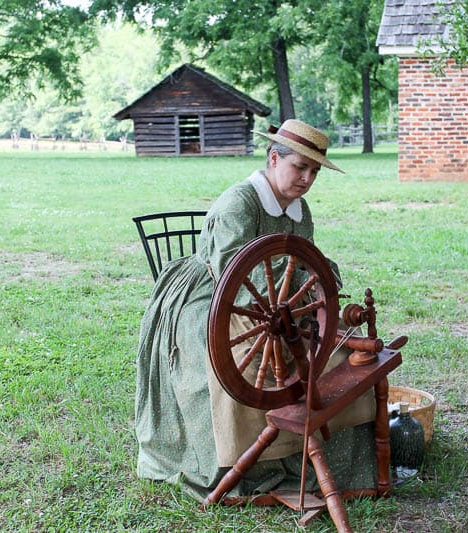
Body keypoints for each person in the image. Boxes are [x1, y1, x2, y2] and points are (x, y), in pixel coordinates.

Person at [135, 119, 378, 501]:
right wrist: (303, 278)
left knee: (332, 353)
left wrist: (317, 279)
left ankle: (308, 453)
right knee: (228, 360)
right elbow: (234, 269)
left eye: (314, 171)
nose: (307, 178)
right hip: (211, 295)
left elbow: (304, 259)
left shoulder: (300, 210)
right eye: (300, 166)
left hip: (274, 304)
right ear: (274, 157)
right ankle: (242, 463)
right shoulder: (239, 203)